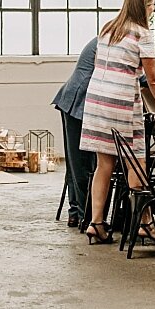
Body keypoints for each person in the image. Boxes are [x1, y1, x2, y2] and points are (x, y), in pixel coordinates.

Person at [78, 0, 155, 245]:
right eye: (151, 6)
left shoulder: (108, 28)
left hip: (97, 101)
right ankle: (145, 223)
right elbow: (154, 79)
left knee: (105, 165)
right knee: (137, 163)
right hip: (122, 103)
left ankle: (96, 222)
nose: (153, 10)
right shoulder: (142, 35)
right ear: (143, 8)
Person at [51, 36, 99, 228]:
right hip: (78, 100)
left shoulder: (109, 37)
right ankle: (82, 214)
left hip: (80, 100)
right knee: (80, 162)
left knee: (76, 161)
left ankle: (76, 212)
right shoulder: (109, 42)